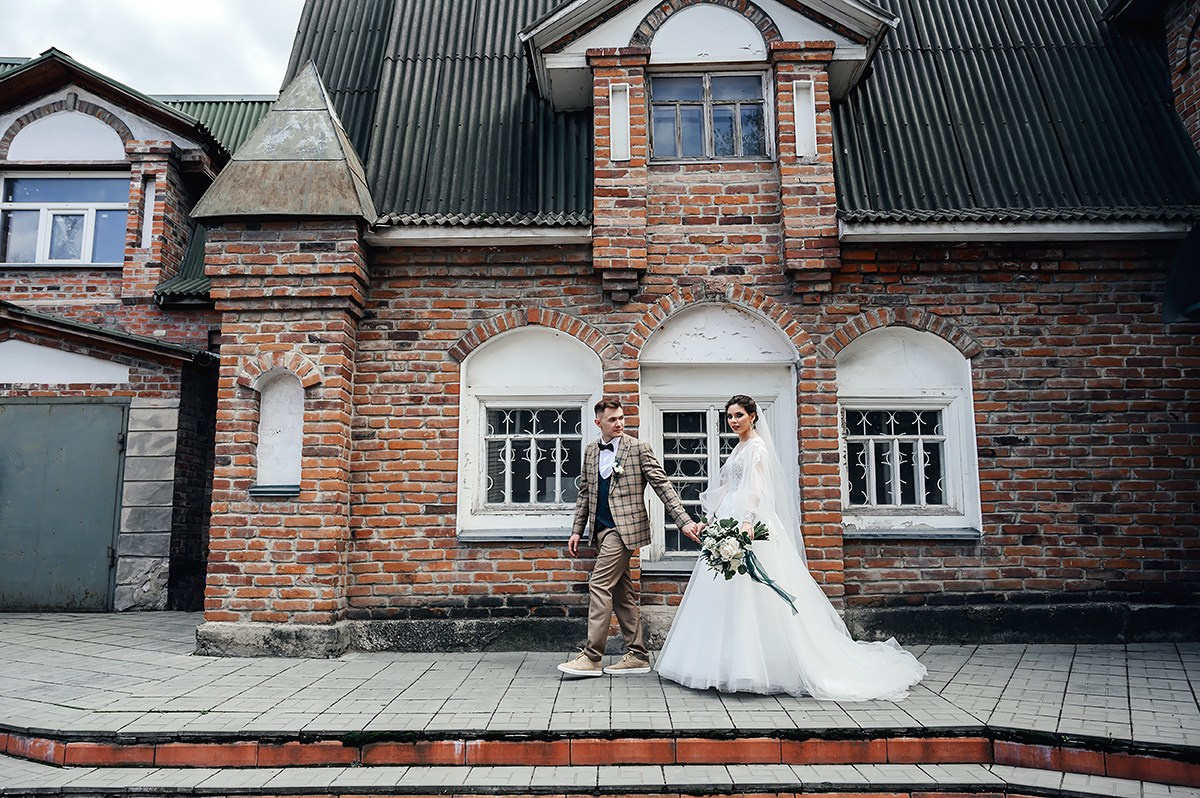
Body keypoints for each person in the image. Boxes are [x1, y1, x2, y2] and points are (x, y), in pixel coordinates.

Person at [655, 395, 927, 700]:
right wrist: (712, 517)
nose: (733, 421)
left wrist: (746, 522)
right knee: (728, 592)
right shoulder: (740, 447)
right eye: (730, 416)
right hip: (730, 517)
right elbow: (730, 488)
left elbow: (756, 489)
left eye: (739, 415)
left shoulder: (757, 448)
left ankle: (764, 665)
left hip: (750, 522)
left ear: (753, 416)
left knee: (756, 593)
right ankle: (724, 663)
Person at [559, 396, 700, 677]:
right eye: (612, 420)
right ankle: (637, 655)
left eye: (621, 418)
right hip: (600, 530)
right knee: (622, 593)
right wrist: (577, 530)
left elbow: (663, 485)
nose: (619, 423)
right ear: (598, 422)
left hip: (623, 531)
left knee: (599, 584)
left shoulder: (638, 449)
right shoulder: (590, 451)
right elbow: (586, 493)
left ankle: (591, 657)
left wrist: (683, 522)